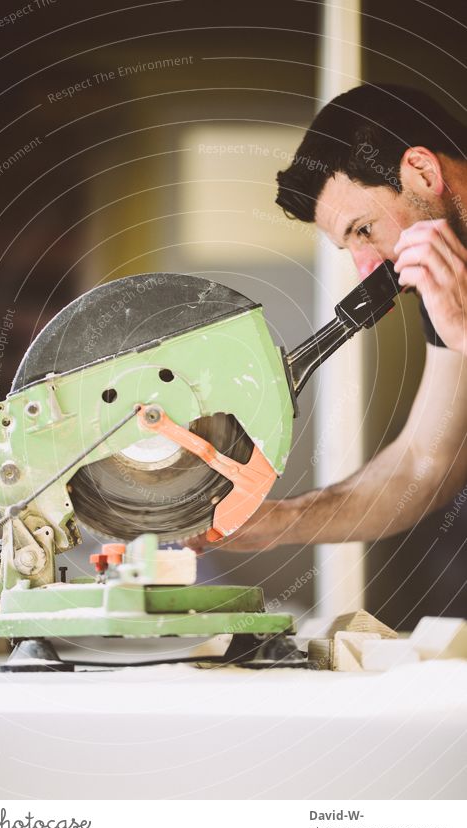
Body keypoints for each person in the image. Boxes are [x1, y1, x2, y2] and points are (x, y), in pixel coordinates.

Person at [189, 83, 467, 552]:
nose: (367, 269)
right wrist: (279, 522)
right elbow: (424, 462)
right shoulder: (449, 279)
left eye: (364, 230)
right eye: (349, 246)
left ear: (421, 170)